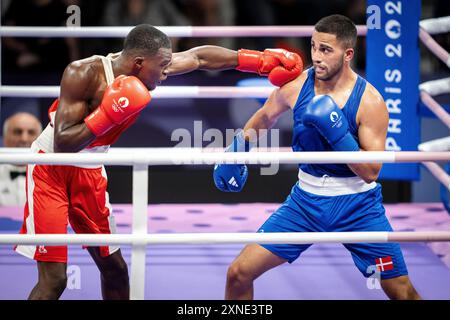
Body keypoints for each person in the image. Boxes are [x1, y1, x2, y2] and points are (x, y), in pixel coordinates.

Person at [14, 24, 303, 300]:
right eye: (162, 67)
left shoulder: (151, 66)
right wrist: (107, 113)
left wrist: (258, 60)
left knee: (115, 270)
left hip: (90, 172)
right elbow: (62, 144)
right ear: (138, 63)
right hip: (50, 172)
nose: (167, 72)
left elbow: (198, 57)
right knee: (55, 280)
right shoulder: (83, 73)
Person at [215, 15, 421, 300]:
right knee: (238, 273)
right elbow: (264, 117)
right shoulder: (297, 86)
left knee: (401, 292)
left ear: (348, 54)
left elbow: (371, 171)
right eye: (313, 47)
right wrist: (238, 149)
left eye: (326, 50)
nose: (316, 57)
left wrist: (337, 132)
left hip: (358, 206)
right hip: (304, 203)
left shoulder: (370, 102)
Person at [0, 112, 42, 206]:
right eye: (17, 132)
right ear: (5, 138)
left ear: (40, 139)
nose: (24, 139)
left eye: (31, 132)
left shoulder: (51, 176)